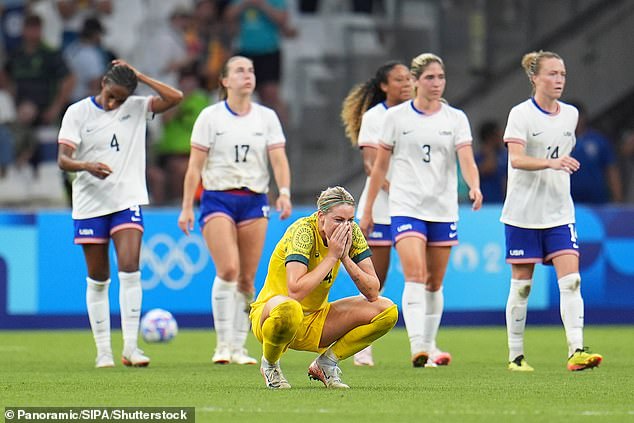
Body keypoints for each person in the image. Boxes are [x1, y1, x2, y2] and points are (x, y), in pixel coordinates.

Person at [57, 60, 183, 368]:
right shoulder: (78, 112)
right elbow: (63, 159)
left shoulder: (138, 107)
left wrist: (138, 75)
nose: (114, 103)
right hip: (89, 204)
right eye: (111, 95)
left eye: (121, 98)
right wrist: (87, 166)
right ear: (102, 82)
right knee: (99, 279)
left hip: (127, 199)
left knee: (130, 267)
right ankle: (103, 351)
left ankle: (130, 347)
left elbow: (175, 97)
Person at [360, 53, 483, 368]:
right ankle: (418, 347)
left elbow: (466, 158)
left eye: (440, 77)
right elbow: (378, 168)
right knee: (414, 274)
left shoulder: (455, 118)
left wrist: (474, 185)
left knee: (434, 282)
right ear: (415, 81)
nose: (436, 83)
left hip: (442, 208)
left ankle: (429, 345)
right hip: (406, 206)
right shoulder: (396, 118)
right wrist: (369, 208)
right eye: (429, 77)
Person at [178, 55, 292, 365]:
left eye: (252, 70)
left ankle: (240, 347)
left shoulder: (266, 117)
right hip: (218, 198)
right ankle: (222, 344)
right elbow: (194, 167)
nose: (248, 75)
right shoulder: (210, 117)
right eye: (240, 70)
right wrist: (187, 206)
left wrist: (283, 192)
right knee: (227, 269)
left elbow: (278, 159)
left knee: (246, 278)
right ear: (225, 81)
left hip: (254, 199)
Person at [500, 50, 603, 372]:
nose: (559, 80)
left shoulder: (570, 114)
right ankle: (516, 356)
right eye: (552, 74)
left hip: (559, 212)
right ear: (535, 78)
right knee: (523, 285)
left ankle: (577, 351)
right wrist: (551, 163)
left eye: (562, 74)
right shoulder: (521, 114)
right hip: (522, 214)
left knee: (571, 281)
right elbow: (516, 159)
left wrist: (558, 166)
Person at [250, 186, 398, 389]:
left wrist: (345, 258)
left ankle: (326, 364)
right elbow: (295, 291)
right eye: (338, 220)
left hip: (315, 320)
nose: (345, 227)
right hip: (272, 316)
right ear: (321, 216)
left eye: (350, 220)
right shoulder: (302, 231)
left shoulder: (351, 231)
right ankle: (270, 364)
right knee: (289, 308)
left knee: (387, 311)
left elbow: (373, 291)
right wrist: (332, 257)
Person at [340, 60, 411, 366]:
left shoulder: (421, 114)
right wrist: (397, 189)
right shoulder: (375, 117)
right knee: (375, 282)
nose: (407, 83)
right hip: (383, 206)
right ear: (384, 86)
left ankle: (426, 346)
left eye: (410, 78)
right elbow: (371, 165)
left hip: (415, 207)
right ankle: (361, 343)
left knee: (423, 278)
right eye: (399, 79)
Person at [224, 0, 295, 122]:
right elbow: (228, 16)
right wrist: (246, 4)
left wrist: (261, 5)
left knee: (270, 94)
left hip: (268, 50)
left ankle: (283, 132)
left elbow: (282, 19)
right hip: (244, 51)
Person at [568, 101, 622, 204]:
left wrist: (617, 198)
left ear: (583, 118)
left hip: (596, 201)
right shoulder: (558, 141)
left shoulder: (598, 141)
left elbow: (611, 169)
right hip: (567, 202)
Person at [476, 120, 507, 203]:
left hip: (501, 202)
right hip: (484, 203)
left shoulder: (504, 156)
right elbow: (488, 168)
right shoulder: (478, 157)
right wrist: (489, 152)